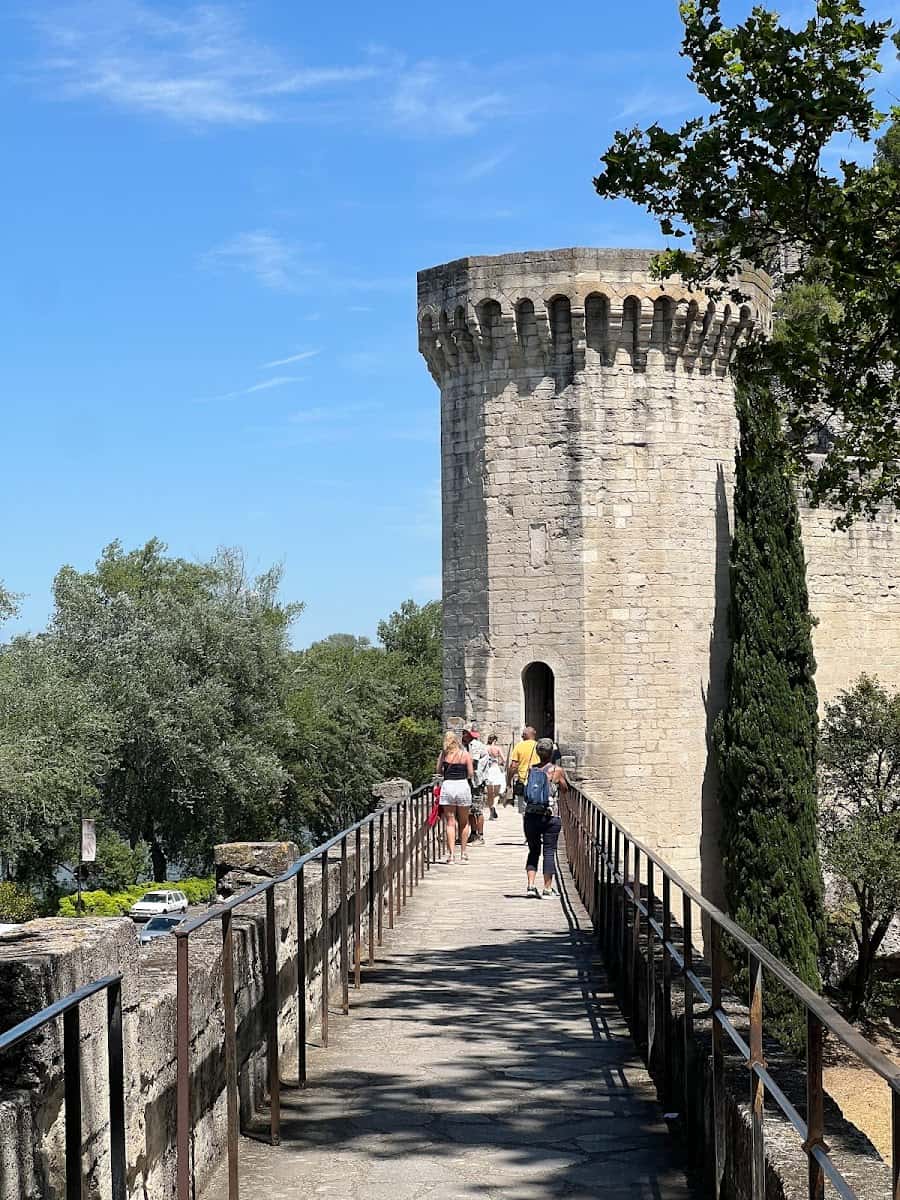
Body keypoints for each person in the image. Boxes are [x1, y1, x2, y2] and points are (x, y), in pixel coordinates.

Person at [523, 737, 568, 899]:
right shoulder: (556, 770)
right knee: (549, 851)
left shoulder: (531, 769)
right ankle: (547, 888)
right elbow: (565, 789)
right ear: (551, 754)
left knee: (533, 850)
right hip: (550, 816)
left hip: (531, 815)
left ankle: (530, 886)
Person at [436, 731, 473, 863]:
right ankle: (463, 853)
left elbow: (438, 770)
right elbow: (470, 773)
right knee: (464, 822)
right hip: (462, 785)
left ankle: (451, 855)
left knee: (450, 822)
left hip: (448, 786)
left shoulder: (444, 754)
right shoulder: (465, 754)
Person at [507, 726, 538, 815]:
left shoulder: (519, 746)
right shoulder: (538, 746)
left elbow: (513, 766)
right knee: (536, 808)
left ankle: (526, 821)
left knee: (523, 811)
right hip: (537, 781)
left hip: (523, 781)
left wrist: (509, 780)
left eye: (523, 734)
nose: (521, 736)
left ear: (525, 735)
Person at [484, 734, 506, 819]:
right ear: (495, 740)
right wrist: (501, 763)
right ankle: (494, 806)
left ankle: (491, 814)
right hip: (496, 769)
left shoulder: (485, 748)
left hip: (488, 771)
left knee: (489, 793)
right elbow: (504, 760)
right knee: (496, 792)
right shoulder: (497, 748)